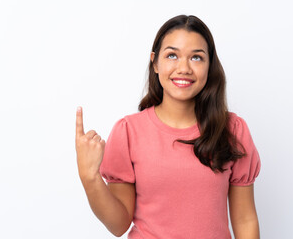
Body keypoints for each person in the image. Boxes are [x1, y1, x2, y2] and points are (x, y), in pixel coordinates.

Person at [75, 14, 261, 239]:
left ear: (210, 65)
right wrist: (90, 177)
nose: (183, 68)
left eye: (196, 58)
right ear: (155, 62)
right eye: (172, 55)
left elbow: (245, 219)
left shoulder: (232, 130)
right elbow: (119, 225)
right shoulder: (128, 132)